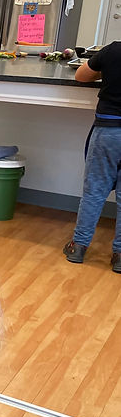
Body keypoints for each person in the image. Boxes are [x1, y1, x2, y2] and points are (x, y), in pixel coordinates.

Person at [64, 48, 121, 273]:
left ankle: (78, 247)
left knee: (94, 192)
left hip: (108, 131)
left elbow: (81, 75)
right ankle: (119, 256)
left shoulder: (113, 50)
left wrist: (106, 72)